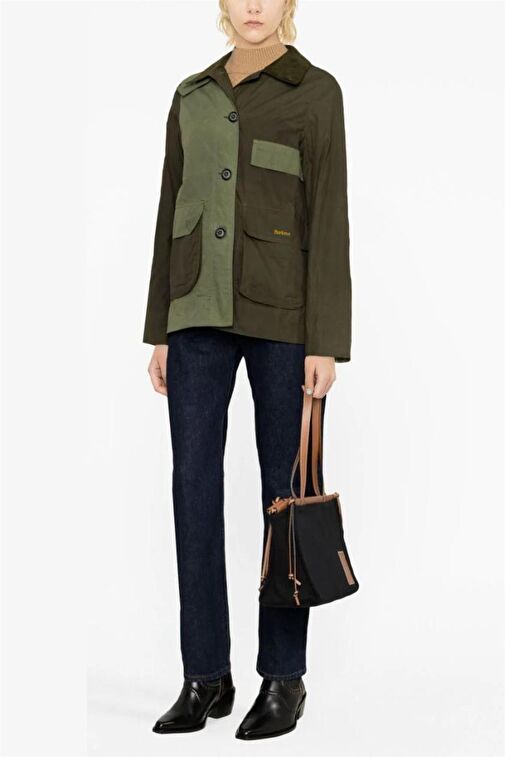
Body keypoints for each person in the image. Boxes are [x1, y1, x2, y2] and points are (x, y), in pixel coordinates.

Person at [142, 0, 351, 740]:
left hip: (285, 322)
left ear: (288, 4)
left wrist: (325, 341)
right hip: (195, 315)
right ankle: (206, 674)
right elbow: (171, 210)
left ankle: (283, 678)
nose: (253, 6)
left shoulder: (314, 91)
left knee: (282, 499)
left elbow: (329, 217)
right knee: (192, 490)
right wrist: (160, 329)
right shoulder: (191, 95)